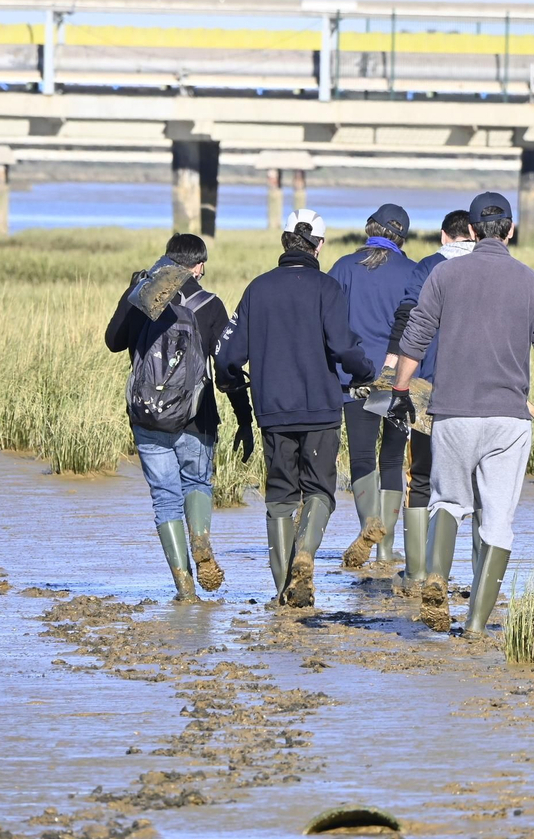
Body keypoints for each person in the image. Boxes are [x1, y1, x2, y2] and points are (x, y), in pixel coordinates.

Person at [390, 192, 534, 635]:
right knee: (496, 520)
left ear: (471, 231)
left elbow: (415, 335)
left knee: (448, 503)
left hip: (452, 415)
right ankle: (475, 623)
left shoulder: (444, 275)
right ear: (510, 230)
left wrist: (399, 389)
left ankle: (436, 577)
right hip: (509, 421)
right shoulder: (531, 281)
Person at [221, 209, 374, 608]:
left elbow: (228, 355)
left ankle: (282, 592)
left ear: (285, 241)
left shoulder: (257, 289)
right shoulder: (327, 289)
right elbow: (343, 348)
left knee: (280, 496)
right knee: (320, 489)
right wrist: (365, 371)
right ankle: (306, 554)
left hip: (272, 410)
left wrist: (234, 384)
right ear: (318, 246)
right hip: (321, 409)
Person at [104, 233, 249, 602]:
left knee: (165, 500)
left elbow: (113, 341)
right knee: (197, 482)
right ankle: (200, 540)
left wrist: (131, 292)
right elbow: (227, 367)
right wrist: (244, 418)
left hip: (148, 417)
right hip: (196, 418)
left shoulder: (142, 297)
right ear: (198, 266)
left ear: (166, 262)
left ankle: (184, 587)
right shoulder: (210, 304)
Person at [384, 208, 475, 587]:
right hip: (481, 393)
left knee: (421, 475)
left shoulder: (426, 269)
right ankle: (466, 571)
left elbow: (408, 317)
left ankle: (418, 570)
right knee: (474, 484)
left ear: (443, 236)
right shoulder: (497, 268)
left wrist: (395, 372)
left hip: (428, 391)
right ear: (474, 233)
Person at [326, 203, 416, 568]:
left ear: (370, 229)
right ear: (402, 237)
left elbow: (327, 320)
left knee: (362, 458)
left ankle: (369, 526)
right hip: (401, 383)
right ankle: (383, 548)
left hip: (354, 379)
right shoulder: (414, 272)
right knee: (393, 458)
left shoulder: (344, 268)